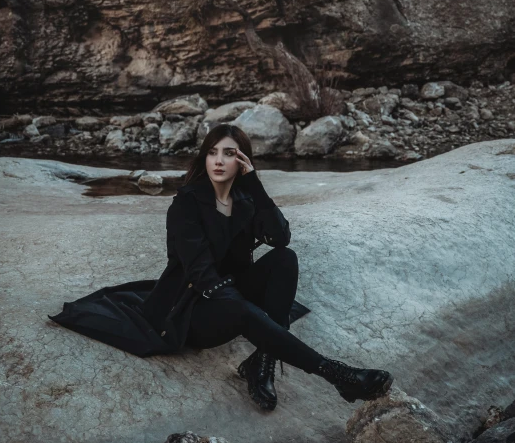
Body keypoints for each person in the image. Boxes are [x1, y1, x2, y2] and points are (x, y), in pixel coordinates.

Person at [49, 122, 394, 413]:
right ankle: (338, 375)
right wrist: (243, 308)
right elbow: (201, 274)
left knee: (285, 260)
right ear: (204, 157)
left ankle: (260, 362)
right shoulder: (186, 204)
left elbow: (280, 238)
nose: (218, 160)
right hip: (190, 309)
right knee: (236, 306)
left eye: (229, 153)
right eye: (213, 152)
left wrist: (256, 185)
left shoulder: (245, 199)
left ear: (242, 161)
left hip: (231, 295)